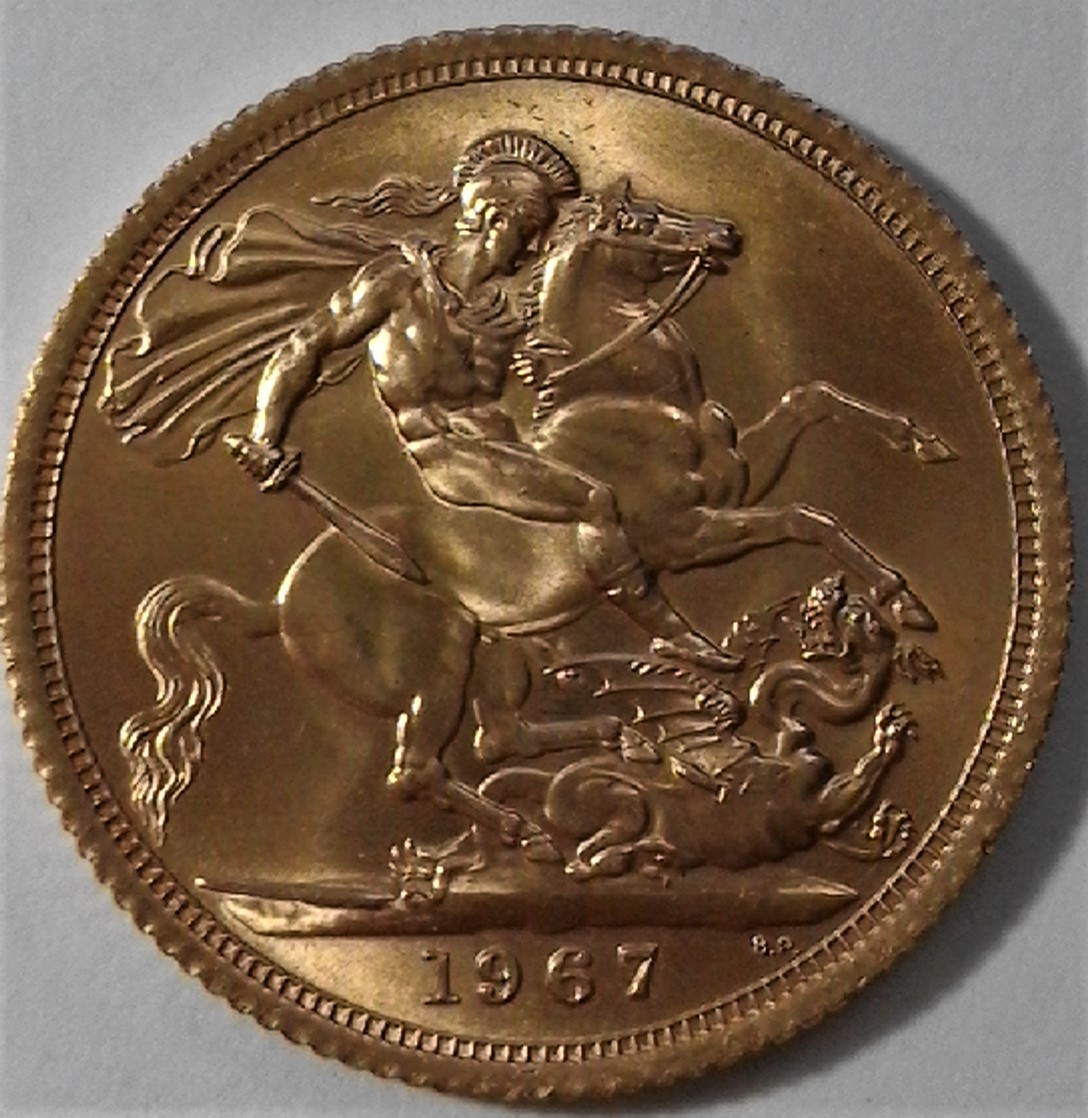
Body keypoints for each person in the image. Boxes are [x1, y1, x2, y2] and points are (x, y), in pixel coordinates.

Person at [228, 130, 737, 672]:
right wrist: (265, 434)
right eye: (530, 231)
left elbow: (524, 382)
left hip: (505, 445)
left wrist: (540, 368)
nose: (534, 248)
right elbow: (307, 344)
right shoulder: (400, 282)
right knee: (594, 499)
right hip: (447, 453)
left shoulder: (499, 304)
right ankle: (670, 633)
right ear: (496, 219)